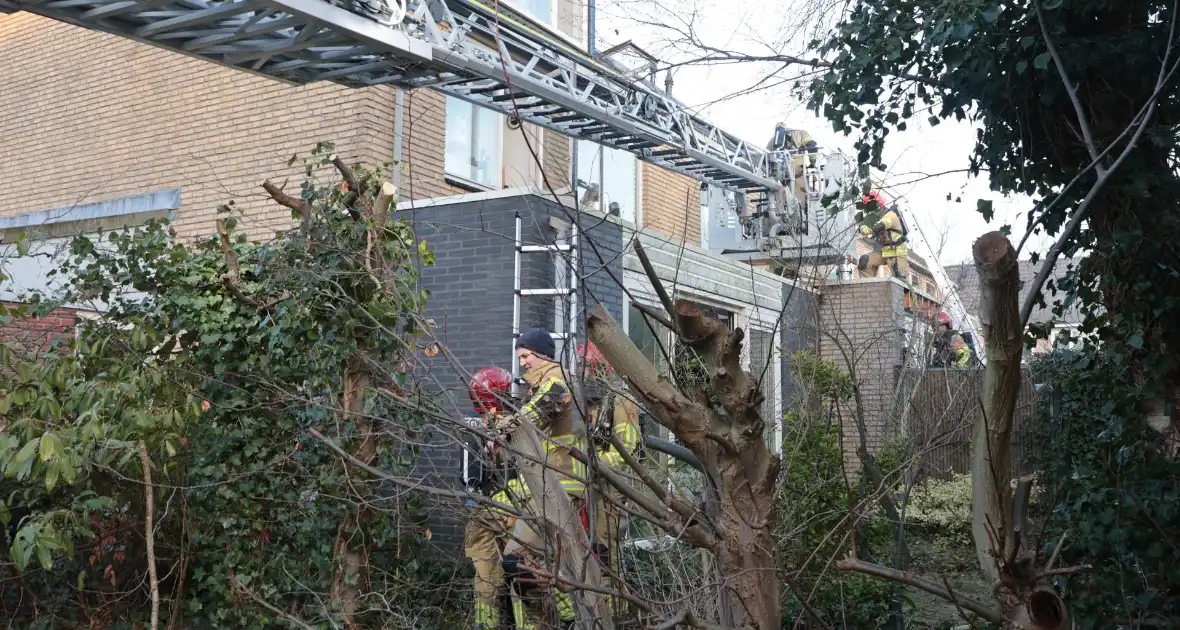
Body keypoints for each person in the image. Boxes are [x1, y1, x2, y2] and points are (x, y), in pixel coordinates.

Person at [495, 328, 584, 629]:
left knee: (516, 559)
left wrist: (497, 432)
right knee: (540, 562)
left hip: (557, 486)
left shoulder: (557, 382)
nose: (522, 364)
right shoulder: (548, 382)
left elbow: (530, 416)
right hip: (550, 486)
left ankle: (569, 618)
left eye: (525, 356)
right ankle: (566, 618)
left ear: (543, 354)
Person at [578, 341, 641, 616]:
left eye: (590, 368)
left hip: (610, 489)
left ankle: (611, 615)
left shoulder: (619, 398)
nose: (586, 374)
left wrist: (596, 464)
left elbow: (629, 448)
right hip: (581, 487)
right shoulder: (580, 399)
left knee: (604, 556)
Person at [463, 367, 514, 630]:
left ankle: (490, 625)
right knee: (497, 580)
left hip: (493, 511)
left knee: (492, 579)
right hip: (500, 512)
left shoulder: (475, 427)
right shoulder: (507, 426)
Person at [856, 192, 914, 310]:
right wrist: (861, 227)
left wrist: (866, 228)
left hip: (897, 252)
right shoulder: (874, 217)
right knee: (864, 261)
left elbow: (879, 226)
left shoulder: (890, 215)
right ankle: (869, 294)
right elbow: (865, 227)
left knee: (899, 277)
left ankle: (907, 308)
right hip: (884, 251)